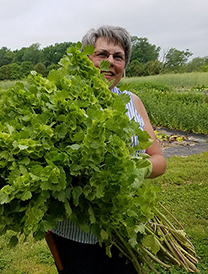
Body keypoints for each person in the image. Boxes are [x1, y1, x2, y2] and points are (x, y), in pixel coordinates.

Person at [46, 25, 167, 274]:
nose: (110, 62)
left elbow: (158, 160)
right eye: (102, 54)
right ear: (85, 59)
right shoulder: (61, 102)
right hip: (75, 233)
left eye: (118, 57)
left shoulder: (132, 101)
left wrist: (132, 168)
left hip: (126, 224)